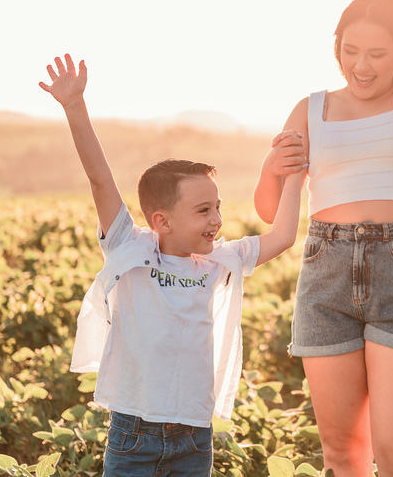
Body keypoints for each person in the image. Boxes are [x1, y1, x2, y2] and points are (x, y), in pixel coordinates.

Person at [39, 54, 301, 477]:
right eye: (202, 210)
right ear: (161, 220)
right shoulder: (130, 246)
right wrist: (74, 106)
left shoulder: (222, 260)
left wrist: (293, 175)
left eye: (217, 207)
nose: (216, 219)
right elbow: (100, 179)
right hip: (133, 433)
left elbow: (283, 236)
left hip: (195, 436)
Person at [252, 0, 393, 477]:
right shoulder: (309, 109)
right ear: (337, 49)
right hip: (324, 277)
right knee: (342, 455)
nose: (362, 65)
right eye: (350, 52)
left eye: (376, 53)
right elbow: (273, 211)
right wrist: (270, 167)